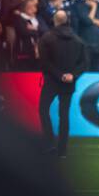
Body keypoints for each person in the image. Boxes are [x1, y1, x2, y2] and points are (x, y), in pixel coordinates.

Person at [37, 9, 87, 158]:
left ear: (55, 21)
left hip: (52, 81)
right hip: (68, 83)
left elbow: (44, 62)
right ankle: (62, 151)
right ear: (67, 21)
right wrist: (72, 75)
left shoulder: (46, 38)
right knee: (64, 115)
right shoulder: (78, 40)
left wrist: (59, 75)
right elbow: (84, 63)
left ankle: (49, 142)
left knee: (43, 109)